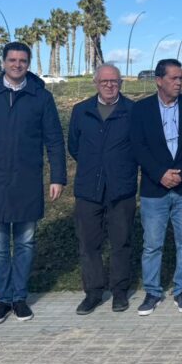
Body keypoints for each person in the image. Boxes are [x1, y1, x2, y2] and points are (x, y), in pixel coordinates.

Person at [0, 41, 65, 325]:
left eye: (22, 61)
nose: (17, 65)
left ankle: (19, 298)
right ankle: (3, 299)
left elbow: (54, 140)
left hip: (27, 181)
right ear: (3, 63)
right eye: (12, 60)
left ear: (28, 64)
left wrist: (57, 177)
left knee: (25, 244)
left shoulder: (41, 98)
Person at [131, 58, 182, 315]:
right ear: (158, 80)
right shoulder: (141, 109)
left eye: (181, 78)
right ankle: (152, 292)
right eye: (174, 78)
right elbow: (138, 146)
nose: (179, 82)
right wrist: (160, 174)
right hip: (154, 188)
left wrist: (181, 173)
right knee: (152, 244)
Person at [68, 64, 137, 315]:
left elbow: (139, 146)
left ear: (121, 83)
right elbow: (74, 146)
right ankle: (93, 293)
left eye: (114, 81)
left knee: (121, 242)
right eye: (104, 81)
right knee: (88, 243)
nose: (109, 85)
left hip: (121, 187)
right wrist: (95, 165)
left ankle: (119, 292)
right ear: (95, 83)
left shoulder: (133, 110)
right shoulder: (81, 111)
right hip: (89, 188)